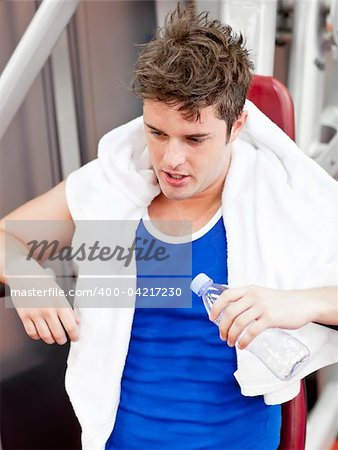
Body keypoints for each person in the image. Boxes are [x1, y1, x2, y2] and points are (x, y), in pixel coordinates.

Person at [0, 4, 337, 450]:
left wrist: (300, 303)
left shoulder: (280, 198)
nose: (171, 160)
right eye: (157, 133)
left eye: (195, 139)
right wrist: (26, 275)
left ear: (236, 126)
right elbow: (7, 236)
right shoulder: (114, 187)